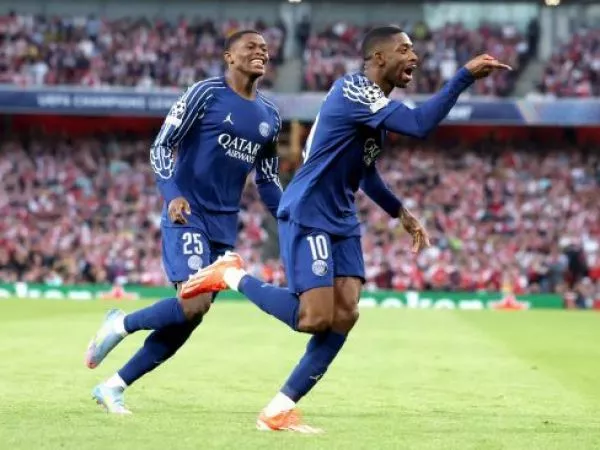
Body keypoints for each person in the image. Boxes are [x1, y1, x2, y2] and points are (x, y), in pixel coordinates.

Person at [182, 26, 512, 432]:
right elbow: (420, 124)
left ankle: (278, 409)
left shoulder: (377, 109)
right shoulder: (353, 89)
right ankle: (230, 274)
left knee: (346, 313)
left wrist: (401, 213)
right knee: (313, 318)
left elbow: (365, 172)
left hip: (342, 217)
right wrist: (463, 76)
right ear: (379, 58)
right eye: (405, 50)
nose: (414, 57)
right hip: (309, 209)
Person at [84, 30, 282, 414]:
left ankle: (112, 386)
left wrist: (290, 217)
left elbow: (269, 179)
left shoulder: (270, 115)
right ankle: (120, 324)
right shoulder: (205, 94)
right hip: (187, 212)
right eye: (251, 47)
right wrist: (172, 192)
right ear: (229, 56)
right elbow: (162, 144)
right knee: (193, 303)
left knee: (191, 317)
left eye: (264, 48)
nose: (261, 52)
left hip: (225, 226)